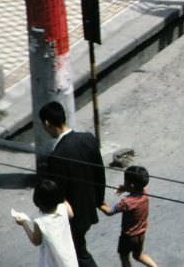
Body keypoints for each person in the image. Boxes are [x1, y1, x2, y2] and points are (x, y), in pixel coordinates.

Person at [39, 101, 106, 267]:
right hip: (89, 209)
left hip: (73, 217)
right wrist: (99, 201)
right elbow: (100, 174)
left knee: (78, 254)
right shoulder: (88, 139)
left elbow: (57, 193)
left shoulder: (57, 156)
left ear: (47, 123)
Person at [100, 165, 158, 267]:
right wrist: (126, 188)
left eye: (125, 181)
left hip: (128, 237)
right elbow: (136, 189)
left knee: (124, 257)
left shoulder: (126, 203)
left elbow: (109, 212)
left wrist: (98, 203)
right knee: (138, 255)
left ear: (131, 185)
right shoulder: (144, 193)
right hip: (141, 234)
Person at [14, 179, 79, 267]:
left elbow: (36, 241)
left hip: (52, 263)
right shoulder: (63, 208)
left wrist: (24, 224)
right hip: (69, 261)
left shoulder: (40, 222)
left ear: (37, 201)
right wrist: (62, 197)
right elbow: (71, 214)